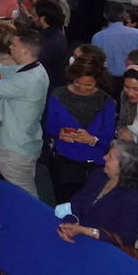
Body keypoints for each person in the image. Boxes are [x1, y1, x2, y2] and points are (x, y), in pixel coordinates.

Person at [0, 26, 49, 198]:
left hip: (14, 148)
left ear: (24, 50)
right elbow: (1, 71)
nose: (10, 47)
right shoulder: (32, 68)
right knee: (21, 192)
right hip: (22, 143)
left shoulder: (29, 79)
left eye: (14, 45)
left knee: (25, 197)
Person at [44, 49, 117, 202]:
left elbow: (108, 139)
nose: (82, 88)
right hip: (65, 164)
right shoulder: (58, 95)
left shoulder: (106, 102)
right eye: (77, 82)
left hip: (93, 167)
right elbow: (49, 127)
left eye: (88, 85)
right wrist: (59, 133)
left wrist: (92, 140)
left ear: (97, 80)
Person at [56, 138, 138, 250]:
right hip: (78, 239)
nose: (104, 157)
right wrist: (68, 225)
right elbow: (76, 204)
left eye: (110, 156)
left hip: (104, 250)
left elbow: (125, 240)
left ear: (124, 166)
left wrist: (86, 231)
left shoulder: (135, 199)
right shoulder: (98, 175)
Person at [92, 1, 138, 78]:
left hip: (108, 79)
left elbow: (95, 62)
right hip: (135, 78)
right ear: (124, 15)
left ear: (105, 15)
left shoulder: (98, 37)